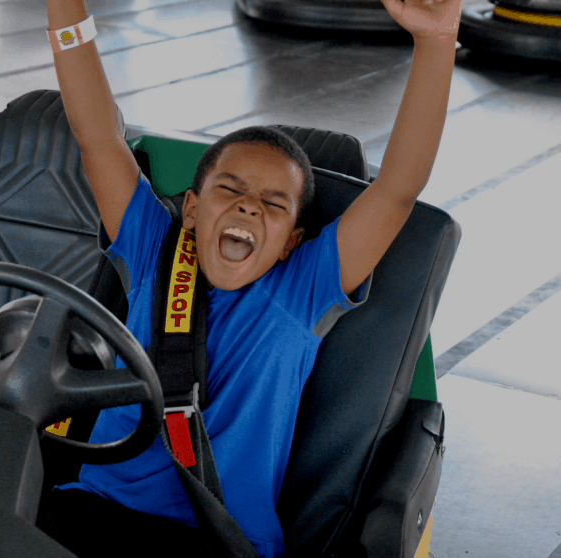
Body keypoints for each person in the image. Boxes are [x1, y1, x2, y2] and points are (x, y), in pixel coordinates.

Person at [37, 0, 462, 556]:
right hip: (92, 510)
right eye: (230, 190)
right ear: (191, 209)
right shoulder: (152, 250)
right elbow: (96, 135)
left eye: (273, 203)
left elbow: (398, 188)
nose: (248, 208)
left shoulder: (301, 290)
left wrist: (435, 44)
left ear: (292, 242)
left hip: (213, 538)